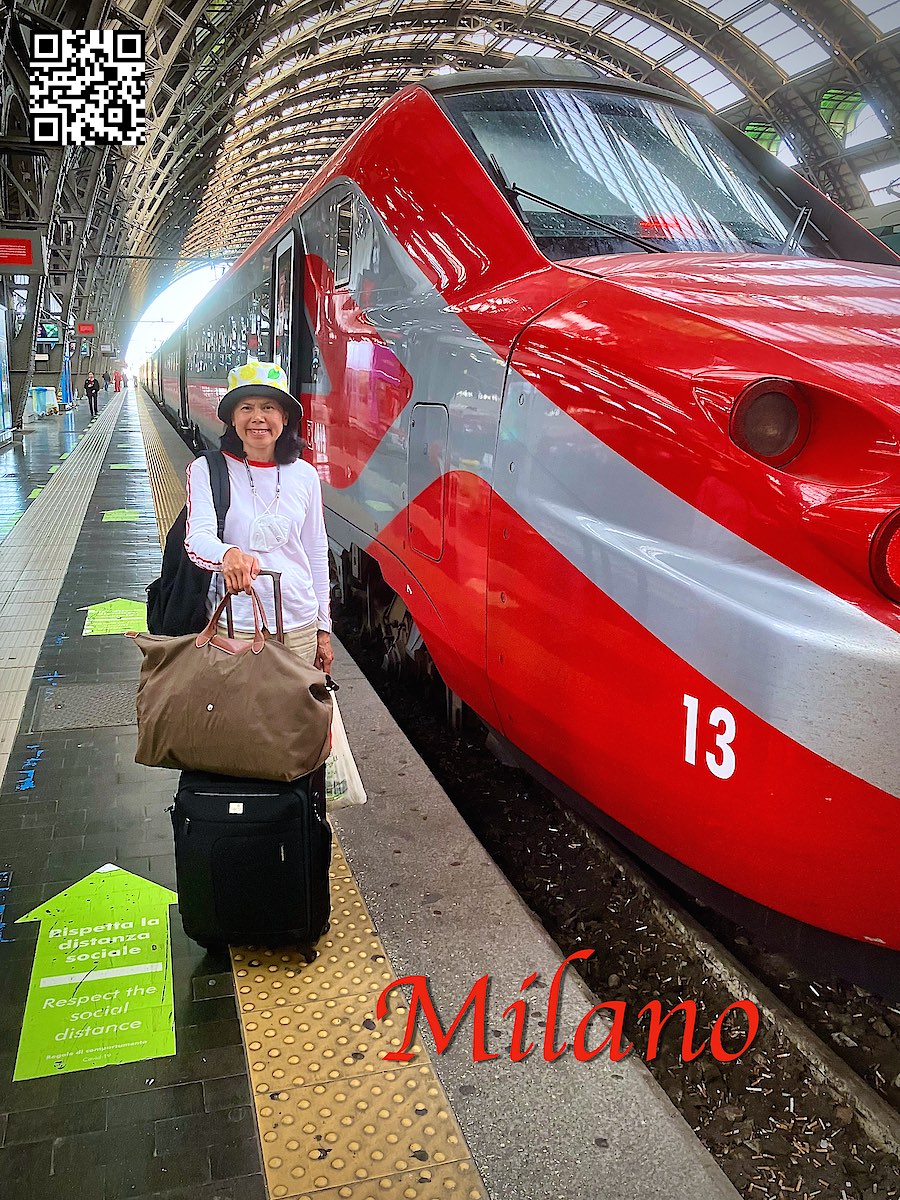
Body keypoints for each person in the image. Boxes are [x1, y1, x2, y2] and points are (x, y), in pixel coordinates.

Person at [184, 361, 334, 673]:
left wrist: (323, 629)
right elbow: (197, 539)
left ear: (284, 417)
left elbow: (316, 550)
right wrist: (228, 554)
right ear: (232, 419)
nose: (258, 418)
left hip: (300, 625)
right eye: (246, 408)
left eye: (268, 407)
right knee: (241, 718)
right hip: (236, 624)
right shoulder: (207, 470)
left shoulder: (305, 475)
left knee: (293, 719)